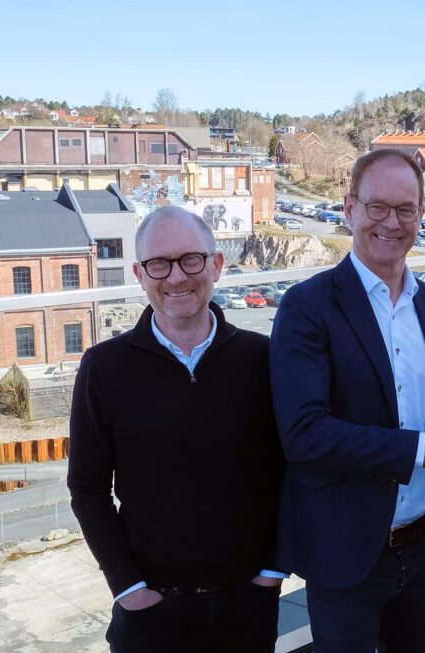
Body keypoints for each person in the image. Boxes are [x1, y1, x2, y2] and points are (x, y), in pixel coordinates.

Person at [270, 149, 425, 653]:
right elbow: (304, 434)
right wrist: (420, 450)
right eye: (376, 206)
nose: (391, 222)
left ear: (421, 215)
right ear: (349, 208)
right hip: (347, 557)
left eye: (406, 209)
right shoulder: (307, 307)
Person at [68, 206, 284, 652]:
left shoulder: (262, 359)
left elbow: (290, 470)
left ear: (216, 264)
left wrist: (273, 571)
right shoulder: (104, 367)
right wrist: (128, 589)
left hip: (247, 604)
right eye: (159, 264)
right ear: (139, 274)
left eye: (191, 259)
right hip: (151, 612)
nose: (176, 277)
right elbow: (87, 488)